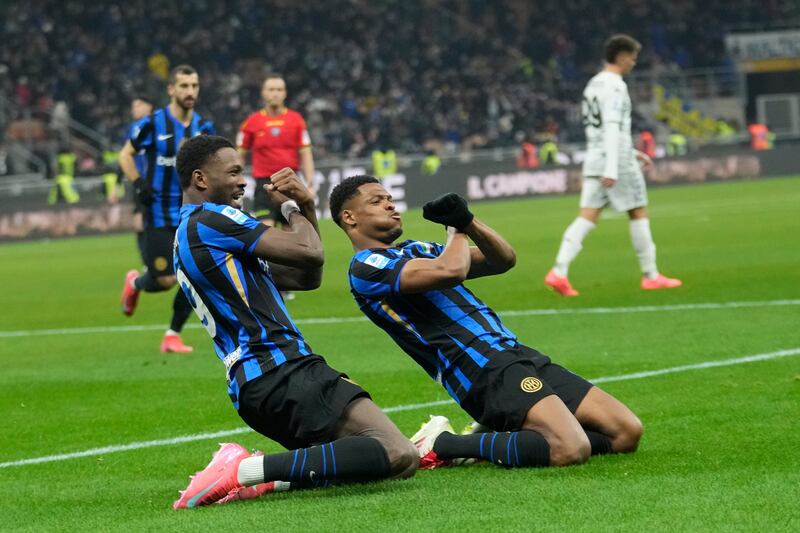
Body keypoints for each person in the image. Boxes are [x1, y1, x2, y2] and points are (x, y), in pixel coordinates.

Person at [329, 176, 643, 470]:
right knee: (569, 448)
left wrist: (468, 221)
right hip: (479, 368)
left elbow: (502, 259)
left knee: (626, 432)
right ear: (350, 217)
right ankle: (444, 444)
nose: (390, 205)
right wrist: (456, 230)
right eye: (376, 201)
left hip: (515, 353)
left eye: (390, 198)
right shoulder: (365, 267)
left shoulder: (417, 249)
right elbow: (450, 271)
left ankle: (500, 434)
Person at [171, 136, 416, 509]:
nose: (243, 181)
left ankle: (266, 481)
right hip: (281, 369)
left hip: (257, 386)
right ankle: (243, 470)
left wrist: (305, 207)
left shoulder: (190, 235)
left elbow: (307, 275)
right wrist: (291, 207)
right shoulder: (215, 218)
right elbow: (309, 250)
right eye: (234, 172)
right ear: (201, 180)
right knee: (397, 453)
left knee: (361, 463)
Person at [545, 35, 681, 296]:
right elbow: (610, 125)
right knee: (638, 211)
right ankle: (651, 275)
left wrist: (629, 152)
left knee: (587, 216)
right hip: (614, 160)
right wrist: (615, 165)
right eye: (632, 57)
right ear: (620, 57)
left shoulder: (593, 85)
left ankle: (559, 271)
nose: (633, 63)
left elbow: (597, 128)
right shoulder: (616, 86)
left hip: (595, 155)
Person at [118, 66, 215, 353]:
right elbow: (126, 154)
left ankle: (172, 334)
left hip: (190, 213)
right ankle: (135, 283)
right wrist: (138, 184)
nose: (190, 92)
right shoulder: (152, 123)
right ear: (171, 89)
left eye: (194, 85)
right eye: (184, 86)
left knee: (193, 274)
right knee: (163, 280)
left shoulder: (203, 126)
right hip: (158, 212)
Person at [237, 73, 315, 223]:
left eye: (279, 89)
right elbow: (239, 155)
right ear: (263, 93)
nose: (275, 93)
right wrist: (235, 181)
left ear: (285, 93)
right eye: (271, 89)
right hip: (263, 185)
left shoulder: (296, 120)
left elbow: (305, 154)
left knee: (291, 235)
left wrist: (310, 184)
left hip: (290, 182)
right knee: (268, 233)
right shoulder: (251, 122)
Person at [127, 95, 155, 261]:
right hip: (139, 180)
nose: (134, 109)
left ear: (149, 106)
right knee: (138, 221)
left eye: (138, 105)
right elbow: (125, 154)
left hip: (157, 180)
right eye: (133, 106)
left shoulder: (158, 125)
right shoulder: (133, 128)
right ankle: (146, 259)